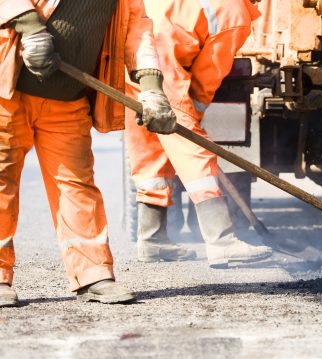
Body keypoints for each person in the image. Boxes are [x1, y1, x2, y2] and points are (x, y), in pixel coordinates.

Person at [0, 0, 178, 306]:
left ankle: (93, 275)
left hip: (67, 98)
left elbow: (137, 27)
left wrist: (151, 86)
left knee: (77, 185)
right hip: (9, 88)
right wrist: (29, 26)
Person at [125, 0, 272, 268]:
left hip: (134, 64)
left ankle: (152, 239)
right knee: (196, 156)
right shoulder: (235, 13)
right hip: (164, 75)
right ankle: (222, 242)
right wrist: (193, 115)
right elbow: (208, 76)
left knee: (151, 154)